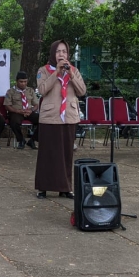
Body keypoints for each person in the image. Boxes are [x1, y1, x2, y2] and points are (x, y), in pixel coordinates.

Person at [35, 40, 86, 199]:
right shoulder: (43, 70)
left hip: (68, 117)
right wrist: (56, 72)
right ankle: (43, 187)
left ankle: (65, 188)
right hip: (50, 117)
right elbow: (42, 89)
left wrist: (70, 74)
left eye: (64, 51)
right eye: (58, 51)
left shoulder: (74, 70)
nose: (61, 54)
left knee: (66, 154)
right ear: (53, 54)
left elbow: (82, 91)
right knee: (48, 153)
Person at [4, 71, 40, 150]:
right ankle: (21, 140)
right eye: (21, 82)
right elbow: (7, 106)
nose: (23, 84)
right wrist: (17, 111)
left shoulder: (30, 90)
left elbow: (36, 104)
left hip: (29, 112)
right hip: (16, 112)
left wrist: (31, 110)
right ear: (16, 81)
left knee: (43, 120)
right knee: (14, 122)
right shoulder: (10, 91)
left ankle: (32, 140)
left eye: (25, 81)